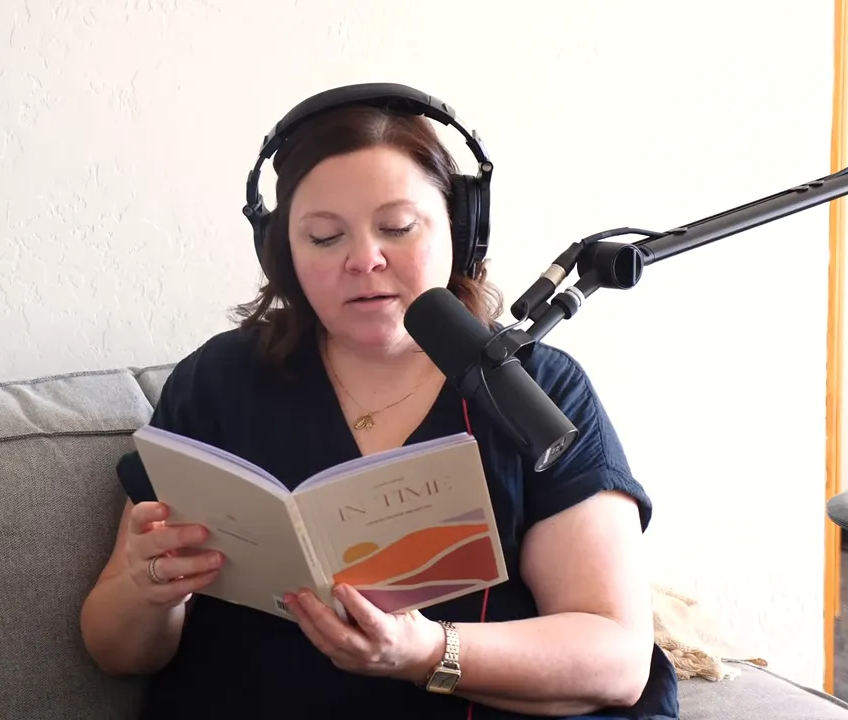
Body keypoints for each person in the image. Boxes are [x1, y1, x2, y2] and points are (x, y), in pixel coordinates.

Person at [79, 84, 680, 720]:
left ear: (461, 229)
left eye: (396, 227)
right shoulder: (219, 383)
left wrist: (426, 652)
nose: (364, 259)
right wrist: (150, 594)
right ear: (283, 253)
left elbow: (614, 659)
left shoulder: (538, 391)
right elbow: (115, 649)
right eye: (323, 237)